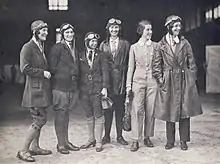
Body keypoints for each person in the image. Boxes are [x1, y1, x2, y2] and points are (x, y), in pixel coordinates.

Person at [152, 15, 203, 151]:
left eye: (179, 26)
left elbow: (192, 62)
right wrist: (160, 79)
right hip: (168, 80)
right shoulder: (161, 45)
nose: (177, 29)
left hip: (184, 78)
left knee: (184, 111)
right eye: (175, 26)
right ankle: (170, 141)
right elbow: (156, 64)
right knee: (169, 110)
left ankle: (184, 140)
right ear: (169, 27)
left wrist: (191, 78)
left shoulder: (185, 43)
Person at [17, 20, 52, 162]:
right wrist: (42, 73)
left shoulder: (40, 46)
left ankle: (35, 147)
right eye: (43, 30)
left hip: (41, 90)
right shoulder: (28, 47)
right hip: (34, 90)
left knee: (39, 118)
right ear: (35, 32)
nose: (46, 33)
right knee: (39, 119)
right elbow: (24, 68)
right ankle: (23, 150)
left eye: (46, 30)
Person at [126, 20, 158, 151]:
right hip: (137, 82)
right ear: (141, 31)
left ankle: (147, 136)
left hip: (152, 82)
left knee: (150, 110)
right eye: (147, 30)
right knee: (136, 110)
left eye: (151, 29)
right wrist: (129, 85)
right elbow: (130, 67)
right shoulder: (134, 47)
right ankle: (135, 139)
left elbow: (159, 65)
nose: (150, 32)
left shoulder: (156, 46)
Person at [49, 23, 80, 154]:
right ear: (62, 35)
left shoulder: (74, 48)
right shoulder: (57, 48)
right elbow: (52, 67)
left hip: (70, 87)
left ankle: (66, 142)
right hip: (60, 86)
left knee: (66, 115)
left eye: (71, 33)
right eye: (66, 33)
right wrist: (63, 75)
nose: (69, 35)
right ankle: (60, 144)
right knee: (60, 115)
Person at [99, 18, 130, 145]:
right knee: (107, 110)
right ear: (108, 29)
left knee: (120, 110)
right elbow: (100, 65)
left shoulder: (125, 44)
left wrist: (128, 82)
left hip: (121, 80)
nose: (114, 30)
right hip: (108, 81)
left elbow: (129, 63)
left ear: (119, 29)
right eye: (112, 27)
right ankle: (106, 136)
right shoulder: (103, 44)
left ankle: (119, 136)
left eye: (116, 28)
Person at [79, 32, 109, 152]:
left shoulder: (101, 55)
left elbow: (105, 71)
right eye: (91, 41)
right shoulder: (80, 55)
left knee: (98, 114)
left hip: (97, 89)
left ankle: (99, 141)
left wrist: (105, 87)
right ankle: (91, 139)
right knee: (89, 114)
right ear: (86, 42)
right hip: (84, 90)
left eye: (95, 41)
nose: (94, 43)